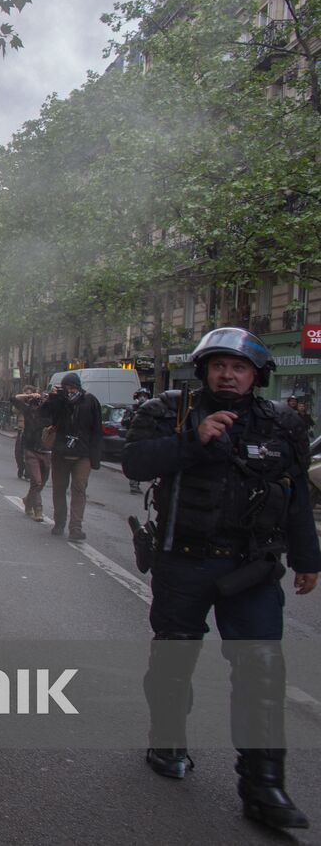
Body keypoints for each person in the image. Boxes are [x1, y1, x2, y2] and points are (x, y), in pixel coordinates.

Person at [123, 327, 318, 830]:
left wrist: (308, 558)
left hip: (252, 566)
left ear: (256, 374)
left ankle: (263, 783)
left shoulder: (281, 424)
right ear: (204, 370)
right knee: (174, 658)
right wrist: (193, 440)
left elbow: (296, 495)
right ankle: (167, 740)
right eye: (219, 366)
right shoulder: (170, 410)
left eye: (239, 368)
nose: (228, 376)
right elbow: (135, 462)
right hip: (184, 561)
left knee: (262, 672)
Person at [42, 372, 103, 541]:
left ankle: (76, 527)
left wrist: (95, 458)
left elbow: (97, 430)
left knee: (79, 490)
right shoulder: (59, 401)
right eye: (66, 387)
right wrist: (53, 399)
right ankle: (59, 523)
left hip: (82, 454)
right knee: (59, 489)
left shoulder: (90, 401)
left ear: (78, 386)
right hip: (61, 452)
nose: (69, 390)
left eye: (72, 386)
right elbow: (43, 417)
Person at [13, 385, 51, 521]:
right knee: (36, 481)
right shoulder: (28, 411)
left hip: (46, 451)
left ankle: (27, 501)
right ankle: (38, 509)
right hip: (31, 450)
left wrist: (46, 397)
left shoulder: (49, 412)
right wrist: (29, 396)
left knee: (41, 483)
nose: (36, 405)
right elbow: (15, 398)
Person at [127, 387, 151, 495]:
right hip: (134, 439)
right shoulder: (131, 409)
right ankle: (134, 484)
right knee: (134, 461)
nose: (142, 398)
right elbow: (124, 422)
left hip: (145, 439)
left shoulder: (151, 409)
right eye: (140, 396)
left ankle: (137, 481)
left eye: (145, 396)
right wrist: (131, 418)